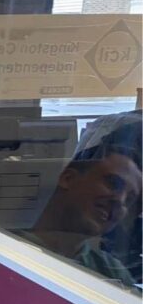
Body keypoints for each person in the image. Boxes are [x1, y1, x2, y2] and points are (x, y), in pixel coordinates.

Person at [23, 113, 141, 290]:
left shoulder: (112, 271)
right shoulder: (2, 246)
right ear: (68, 178)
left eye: (129, 200)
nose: (119, 200)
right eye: (113, 183)